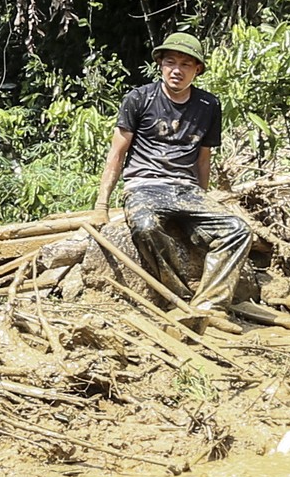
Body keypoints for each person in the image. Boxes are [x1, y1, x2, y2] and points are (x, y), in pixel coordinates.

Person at [94, 32, 250, 313]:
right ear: (160, 65)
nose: (177, 70)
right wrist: (101, 204)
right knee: (145, 227)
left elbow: (204, 160)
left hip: (186, 189)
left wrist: (202, 203)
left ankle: (210, 307)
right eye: (170, 62)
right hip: (144, 186)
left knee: (237, 230)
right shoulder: (139, 98)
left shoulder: (208, 105)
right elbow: (116, 154)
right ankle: (179, 298)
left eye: (186, 64)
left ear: (197, 70)